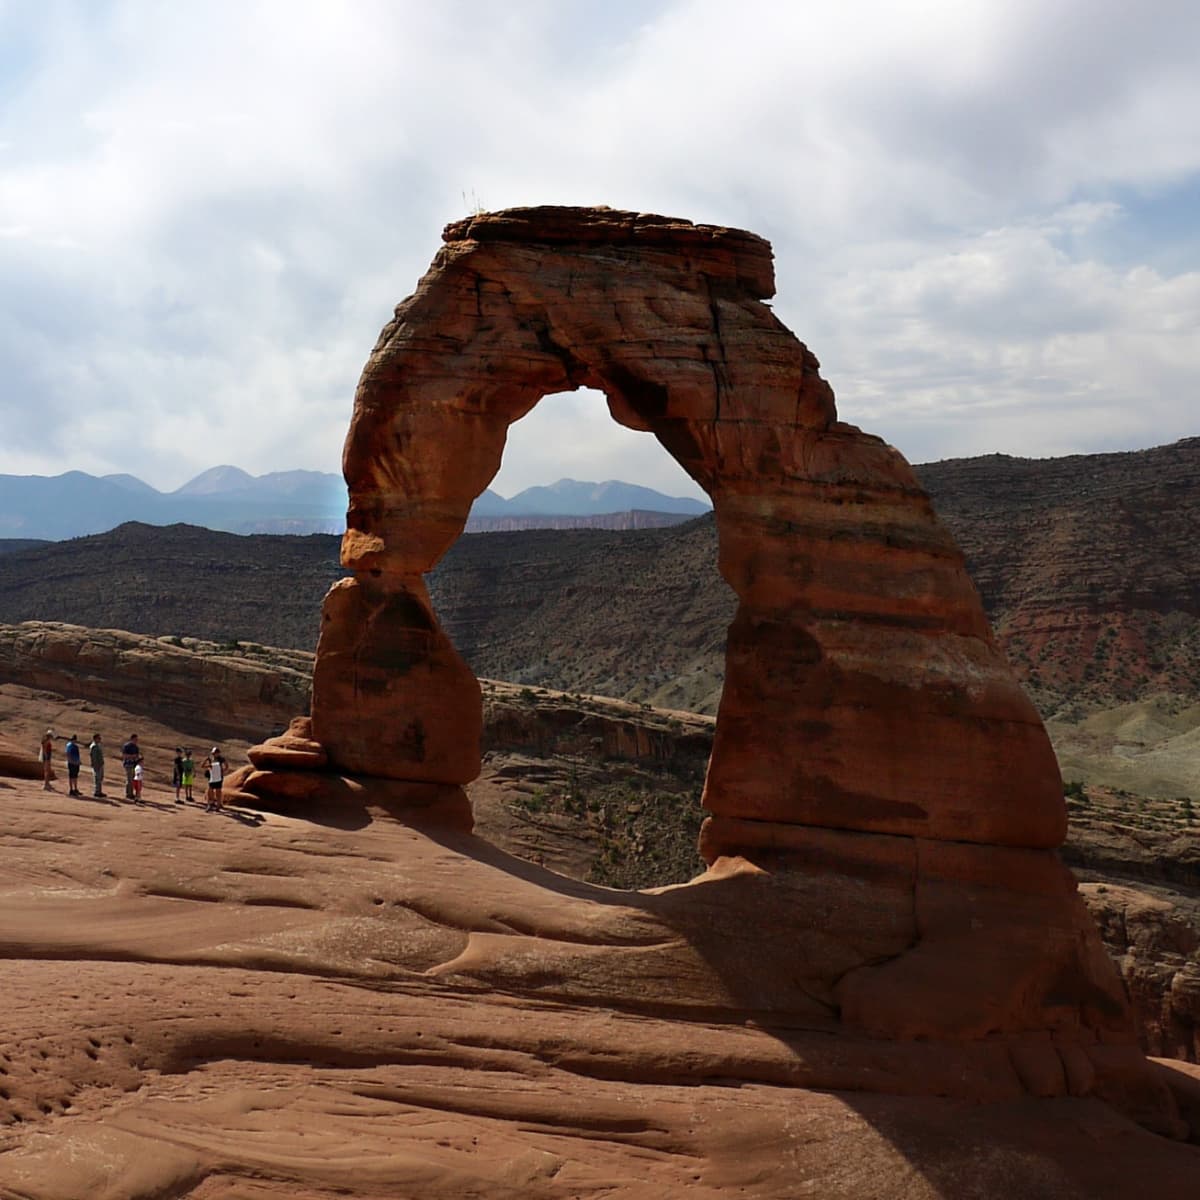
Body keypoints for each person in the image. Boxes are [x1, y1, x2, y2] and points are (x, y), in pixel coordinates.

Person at [202, 746, 226, 812]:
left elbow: (226, 766)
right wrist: (207, 762)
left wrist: (222, 771)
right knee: (210, 791)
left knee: (218, 791)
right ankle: (210, 804)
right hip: (212, 777)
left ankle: (218, 805)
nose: (214, 754)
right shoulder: (210, 759)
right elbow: (202, 766)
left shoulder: (221, 759)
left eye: (216, 753)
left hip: (219, 777)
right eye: (214, 753)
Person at [121, 734, 141, 801]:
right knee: (129, 779)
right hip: (128, 764)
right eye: (135, 739)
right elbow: (124, 755)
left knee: (133, 780)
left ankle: (131, 793)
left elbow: (137, 755)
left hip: (134, 765)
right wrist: (132, 756)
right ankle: (129, 794)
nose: (136, 741)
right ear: (132, 739)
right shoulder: (127, 746)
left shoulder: (136, 747)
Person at [89, 733, 106, 798]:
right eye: (99, 738)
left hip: (100, 764)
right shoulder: (93, 746)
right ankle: (97, 792)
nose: (100, 739)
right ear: (95, 738)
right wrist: (96, 765)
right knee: (97, 778)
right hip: (97, 765)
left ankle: (99, 791)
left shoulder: (98, 745)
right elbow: (93, 757)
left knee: (100, 778)